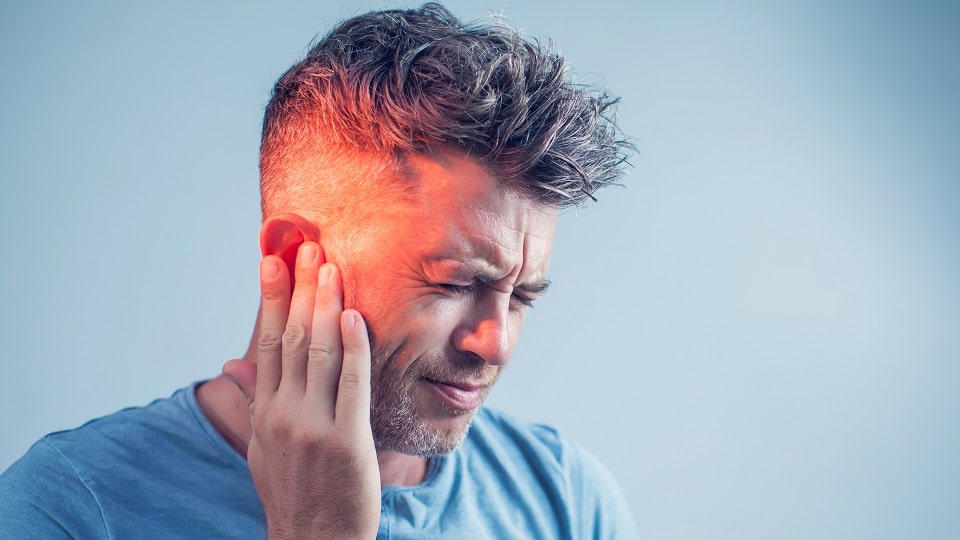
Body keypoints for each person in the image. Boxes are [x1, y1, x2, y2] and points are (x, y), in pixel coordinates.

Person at [0, 3, 637, 538]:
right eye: (454, 282)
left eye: (522, 295)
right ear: (292, 259)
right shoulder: (70, 510)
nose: (495, 342)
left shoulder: (565, 499)